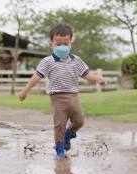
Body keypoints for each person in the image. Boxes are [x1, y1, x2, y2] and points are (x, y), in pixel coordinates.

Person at [18, 24, 106, 160]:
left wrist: (97, 79)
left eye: (66, 43)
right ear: (51, 44)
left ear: (71, 44)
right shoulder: (47, 62)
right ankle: (59, 148)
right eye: (58, 44)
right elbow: (36, 77)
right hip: (57, 98)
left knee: (79, 121)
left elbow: (86, 74)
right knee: (59, 123)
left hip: (73, 97)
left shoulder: (76, 61)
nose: (62, 47)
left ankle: (68, 135)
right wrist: (25, 91)